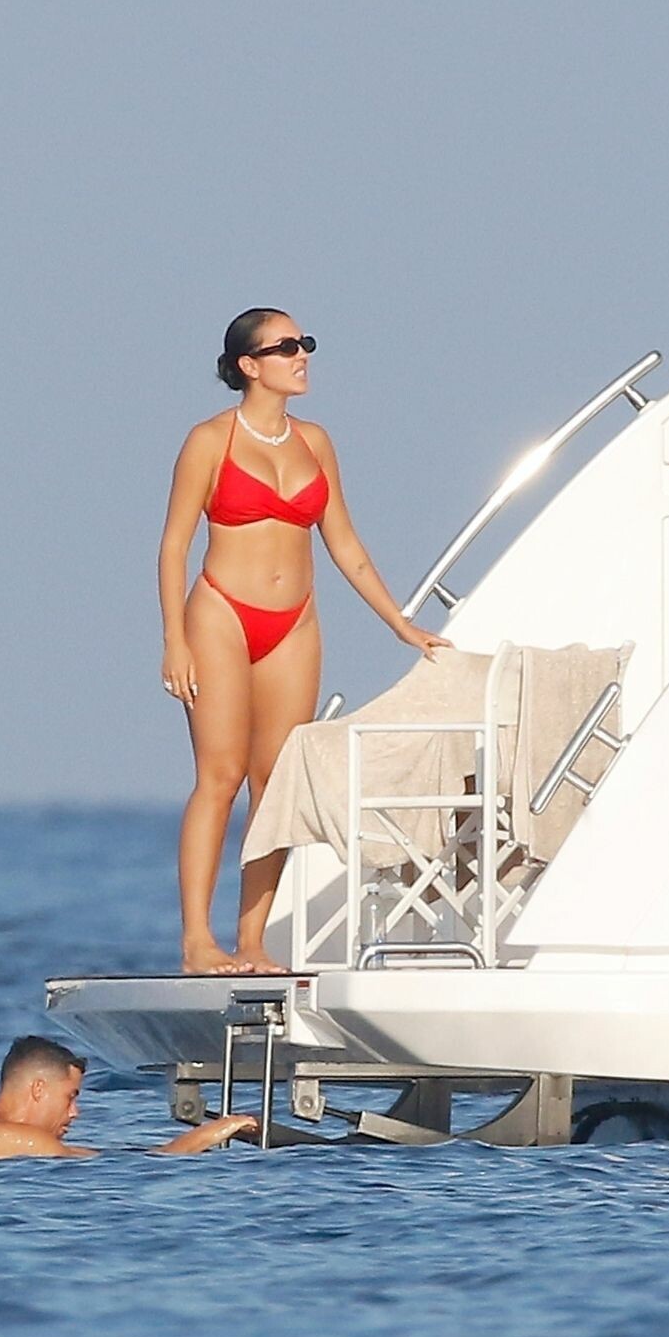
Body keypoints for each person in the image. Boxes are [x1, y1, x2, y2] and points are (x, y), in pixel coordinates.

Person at [159, 308, 450, 974]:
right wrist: (174, 639)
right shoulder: (209, 440)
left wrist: (399, 623)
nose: (302, 355)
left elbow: (343, 541)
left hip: (294, 622)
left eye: (305, 343)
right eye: (286, 347)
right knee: (221, 776)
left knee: (275, 783)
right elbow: (174, 544)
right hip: (221, 613)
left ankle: (252, 942)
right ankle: (198, 941)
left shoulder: (315, 441)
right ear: (248, 365)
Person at [0, 1035, 257, 1159]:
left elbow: (109, 1156)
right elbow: (136, 1168)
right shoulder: (25, 1141)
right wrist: (212, 1132)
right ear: (38, 1089)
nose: (75, 1112)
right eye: (70, 1097)